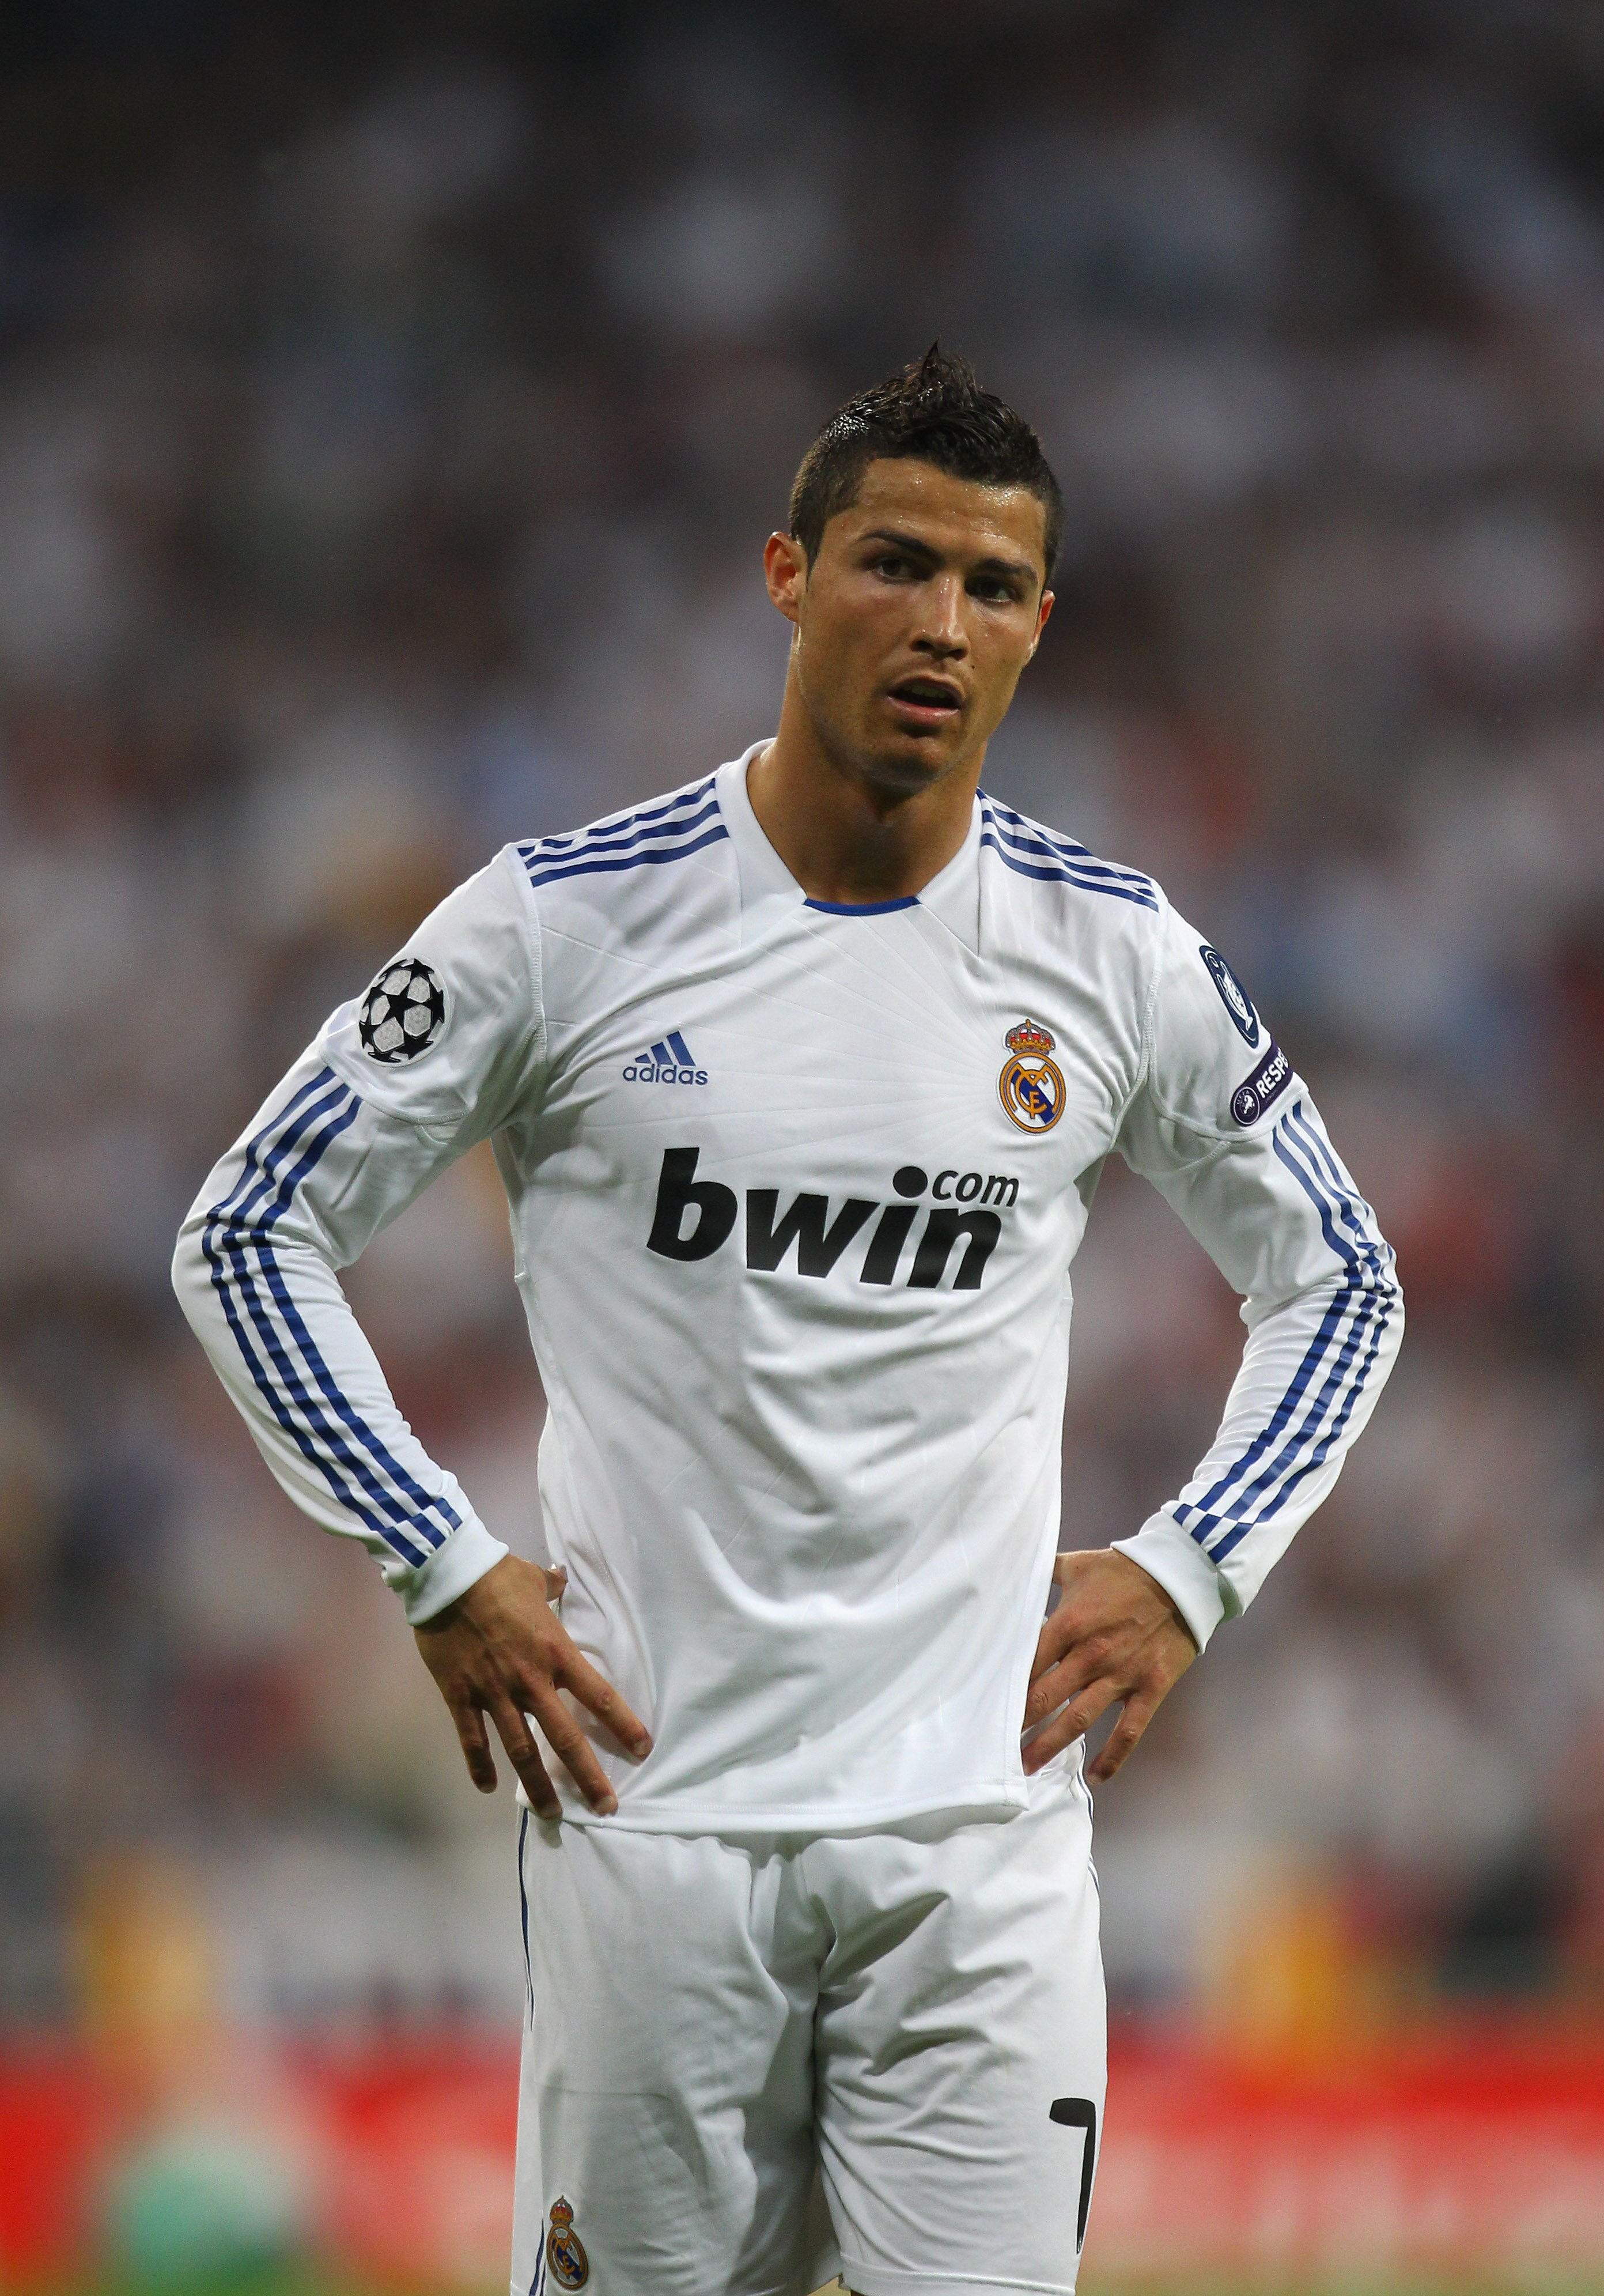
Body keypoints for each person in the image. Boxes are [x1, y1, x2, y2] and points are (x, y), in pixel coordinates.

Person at [173, 346, 1402, 2296]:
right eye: (894, 563)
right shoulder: (562, 925)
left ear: (1041, 624)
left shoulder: (1112, 952)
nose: (942, 623)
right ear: (787, 575)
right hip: (657, 1823)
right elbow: (248, 1228)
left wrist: (1191, 1570)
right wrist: (438, 1560)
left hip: (978, 1844)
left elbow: (1342, 1274)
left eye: (993, 586)